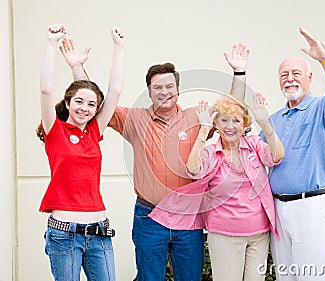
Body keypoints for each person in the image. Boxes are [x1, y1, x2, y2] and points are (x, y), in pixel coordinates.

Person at [60, 40, 250, 280]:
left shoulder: (195, 116)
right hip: (149, 217)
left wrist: (239, 71)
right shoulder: (134, 118)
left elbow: (231, 111)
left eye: (169, 86)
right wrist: (77, 67)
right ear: (149, 91)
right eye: (157, 87)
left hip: (188, 219)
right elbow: (96, 105)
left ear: (178, 90)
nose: (164, 92)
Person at [260, 27, 325, 280]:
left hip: (311, 205)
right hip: (279, 207)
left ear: (310, 77)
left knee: (313, 277)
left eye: (296, 73)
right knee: (285, 277)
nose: (289, 79)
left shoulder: (320, 107)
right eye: (284, 75)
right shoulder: (273, 120)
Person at [37, 23, 125, 281]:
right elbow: (45, 89)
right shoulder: (55, 131)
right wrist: (51, 44)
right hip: (64, 232)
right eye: (78, 101)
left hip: (99, 231)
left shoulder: (94, 132)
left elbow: (115, 91)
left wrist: (119, 48)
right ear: (67, 103)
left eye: (91, 104)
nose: (84, 108)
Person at [181, 93, 284, 281]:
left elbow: (276, 156)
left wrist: (266, 124)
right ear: (217, 124)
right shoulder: (212, 153)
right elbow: (193, 170)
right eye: (224, 120)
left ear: (244, 125)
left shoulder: (254, 145)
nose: (230, 126)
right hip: (224, 234)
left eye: (236, 120)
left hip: (259, 234)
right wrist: (203, 131)